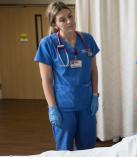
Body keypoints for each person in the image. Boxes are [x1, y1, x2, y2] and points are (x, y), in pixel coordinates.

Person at [34, 1, 100, 150]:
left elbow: (93, 71)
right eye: (62, 19)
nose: (69, 21)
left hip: (86, 103)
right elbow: (46, 80)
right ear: (55, 24)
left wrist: (95, 95)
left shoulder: (87, 39)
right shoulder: (48, 44)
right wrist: (52, 107)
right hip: (63, 106)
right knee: (64, 149)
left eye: (70, 16)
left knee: (88, 148)